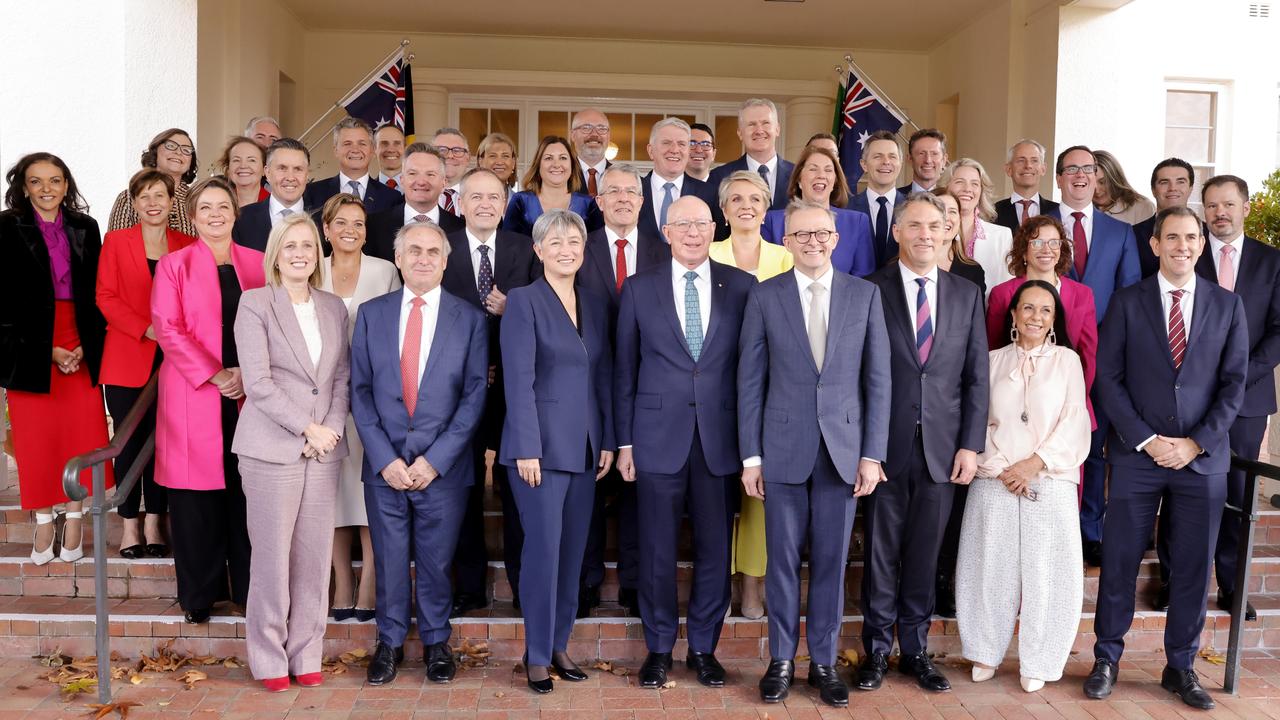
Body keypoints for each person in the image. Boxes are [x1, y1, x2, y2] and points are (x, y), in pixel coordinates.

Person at [1085, 206, 1248, 711]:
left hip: (1201, 461)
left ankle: (1181, 666)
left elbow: (1233, 384)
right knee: (1119, 562)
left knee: (1195, 568)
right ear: (1154, 245)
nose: (1182, 246)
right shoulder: (1127, 302)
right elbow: (1107, 378)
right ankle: (1106, 658)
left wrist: (1196, 443)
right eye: (1171, 237)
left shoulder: (1227, 306)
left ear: (1201, 245)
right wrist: (1145, 439)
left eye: (1190, 238)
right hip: (1137, 459)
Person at [738, 199, 892, 708]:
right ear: (786, 241)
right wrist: (751, 457)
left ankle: (823, 662)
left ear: (835, 238)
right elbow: (750, 382)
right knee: (780, 562)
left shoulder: (864, 295)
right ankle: (781, 659)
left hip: (843, 453)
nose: (812, 242)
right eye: (801, 235)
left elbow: (878, 381)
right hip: (781, 450)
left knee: (830, 562)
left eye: (820, 234)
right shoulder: (765, 296)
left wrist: (872, 454)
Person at [615, 195, 754, 689]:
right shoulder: (638, 288)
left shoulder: (742, 286)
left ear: (713, 229)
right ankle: (657, 648)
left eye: (700, 223)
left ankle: (703, 647)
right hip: (655, 439)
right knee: (657, 547)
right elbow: (624, 370)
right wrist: (625, 443)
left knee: (716, 549)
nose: (692, 232)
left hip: (720, 439)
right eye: (682, 224)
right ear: (666, 231)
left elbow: (751, 372)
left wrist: (752, 447)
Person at [349, 220, 488, 686]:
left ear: (446, 261)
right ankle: (388, 643)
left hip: (441, 469)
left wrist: (436, 459)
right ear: (400, 259)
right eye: (415, 251)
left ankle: (435, 641)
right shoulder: (372, 314)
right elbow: (360, 392)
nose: (424, 258)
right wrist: (385, 458)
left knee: (435, 559)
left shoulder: (468, 318)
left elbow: (473, 396)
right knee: (389, 557)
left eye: (433, 251)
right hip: (384, 465)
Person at [860, 194, 989, 694]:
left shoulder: (965, 294)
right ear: (897, 233)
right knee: (879, 552)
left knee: (925, 555)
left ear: (948, 233)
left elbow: (976, 378)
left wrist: (970, 445)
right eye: (914, 226)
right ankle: (874, 651)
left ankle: (913, 650)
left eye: (935, 226)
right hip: (884, 448)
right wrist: (863, 448)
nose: (925, 235)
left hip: (943, 448)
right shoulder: (871, 289)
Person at [232, 213, 350, 692]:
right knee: (272, 559)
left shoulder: (334, 307)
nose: (300, 253)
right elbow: (257, 382)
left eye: (307, 245)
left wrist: (331, 431)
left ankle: (307, 652)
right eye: (290, 246)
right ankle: (268, 657)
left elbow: (341, 378)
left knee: (313, 558)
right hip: (271, 449)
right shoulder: (256, 303)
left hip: (323, 452)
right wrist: (307, 428)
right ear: (276, 254)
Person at [1153, 176, 1280, 620]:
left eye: (1228, 204)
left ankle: (1231, 584)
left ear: (1246, 207)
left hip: (1246, 401)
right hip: (1186, 399)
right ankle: (1171, 580)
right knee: (1179, 487)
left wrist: (1238, 377)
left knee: (1237, 494)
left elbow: (1278, 331)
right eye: (1211, 206)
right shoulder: (1188, 257)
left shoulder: (1272, 262)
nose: (1219, 213)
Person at [500, 209, 615, 694]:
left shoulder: (594, 301)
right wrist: (527, 446)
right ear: (539, 249)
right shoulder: (524, 302)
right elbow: (518, 379)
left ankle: (560, 643)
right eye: (557, 241)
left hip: (586, 449)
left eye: (575, 241)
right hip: (539, 453)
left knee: (573, 555)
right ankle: (537, 653)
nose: (567, 249)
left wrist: (607, 438)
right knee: (543, 554)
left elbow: (602, 376)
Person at [958, 280, 1091, 693]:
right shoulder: (991, 359)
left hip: (1048, 478)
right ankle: (984, 648)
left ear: (1055, 320)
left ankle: (1041, 657)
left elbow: (1074, 418)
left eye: (1045, 311)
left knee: (1048, 570)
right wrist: (1001, 468)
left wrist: (1034, 464)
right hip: (994, 476)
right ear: (1013, 314)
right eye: (1028, 308)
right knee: (987, 564)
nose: (1036, 317)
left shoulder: (1068, 360)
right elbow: (975, 417)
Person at [151, 176, 266, 624]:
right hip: (194, 393)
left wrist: (246, 374)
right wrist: (216, 374)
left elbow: (275, 324)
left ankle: (249, 590)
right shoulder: (174, 265)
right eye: (206, 208)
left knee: (247, 493)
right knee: (195, 501)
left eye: (223, 206)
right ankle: (199, 596)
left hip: (250, 394)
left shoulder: (258, 263)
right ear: (193, 216)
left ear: (235, 213)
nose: (216, 215)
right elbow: (168, 328)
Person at [0, 152, 112, 565]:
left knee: (83, 433)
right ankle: (45, 517)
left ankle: (76, 515)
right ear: (23, 186)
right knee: (36, 438)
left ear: (67, 185)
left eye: (55, 180)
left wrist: (85, 343)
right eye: (36, 181)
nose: (47, 189)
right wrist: (47, 351)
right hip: (29, 347)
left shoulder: (86, 226)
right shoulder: (6, 226)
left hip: (80, 339)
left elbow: (98, 292)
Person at [443, 168, 541, 617]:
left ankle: (524, 586)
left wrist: (514, 305)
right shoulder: (440, 246)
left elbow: (546, 307)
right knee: (461, 488)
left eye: (493, 197)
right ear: (460, 202)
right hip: (455, 389)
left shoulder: (524, 248)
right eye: (475, 197)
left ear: (505, 204)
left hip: (513, 390)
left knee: (516, 488)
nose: (485, 204)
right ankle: (468, 586)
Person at [709, 171, 794, 620]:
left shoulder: (785, 256)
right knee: (721, 491)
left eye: (755, 199)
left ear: (767, 208)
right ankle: (717, 578)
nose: (746, 205)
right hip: (716, 386)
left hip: (771, 385)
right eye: (736, 199)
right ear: (723, 210)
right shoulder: (706, 252)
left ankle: (753, 584)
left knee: (760, 494)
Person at [97, 169, 195, 559]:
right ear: (133, 204)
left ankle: (155, 519)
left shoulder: (187, 244)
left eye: (160, 195)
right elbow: (105, 296)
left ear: (172, 203)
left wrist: (171, 334)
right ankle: (129, 524)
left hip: (176, 360)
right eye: (144, 196)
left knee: (165, 443)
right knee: (128, 441)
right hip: (127, 356)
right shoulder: (116, 242)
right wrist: (147, 329)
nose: (153, 202)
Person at [1053, 145, 1141, 568]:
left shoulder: (1119, 233)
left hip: (1101, 362)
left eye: (1088, 169)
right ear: (1059, 178)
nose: (1082, 176)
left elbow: (1129, 299)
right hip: (1048, 357)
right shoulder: (1040, 226)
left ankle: (1089, 532)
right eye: (1072, 169)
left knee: (1093, 448)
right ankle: (1052, 528)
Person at [318, 193, 400, 622]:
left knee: (369, 492)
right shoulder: (313, 269)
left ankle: (369, 579)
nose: (350, 230)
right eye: (341, 222)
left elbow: (396, 333)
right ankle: (341, 581)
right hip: (322, 397)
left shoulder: (385, 271)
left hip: (371, 397)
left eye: (359, 223)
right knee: (332, 493)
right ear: (326, 229)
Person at [761, 145, 875, 277]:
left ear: (835, 182)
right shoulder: (772, 221)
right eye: (813, 169)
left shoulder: (857, 222)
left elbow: (863, 281)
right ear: (799, 179)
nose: (821, 175)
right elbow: (767, 275)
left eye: (828, 170)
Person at [366, 144, 465, 262]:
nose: (421, 182)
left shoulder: (462, 229)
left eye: (430, 174)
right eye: (413, 173)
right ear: (402, 180)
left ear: (443, 183)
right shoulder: (373, 226)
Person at [638, 118, 720, 241]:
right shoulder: (633, 191)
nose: (675, 150)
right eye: (666, 142)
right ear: (650, 150)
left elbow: (717, 243)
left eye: (682, 144)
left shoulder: (710, 194)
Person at [504, 135, 603, 237]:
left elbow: (597, 247)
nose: (556, 164)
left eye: (563, 158)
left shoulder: (588, 204)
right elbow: (508, 244)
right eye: (548, 158)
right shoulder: (521, 201)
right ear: (538, 165)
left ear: (572, 165)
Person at [939, 158, 1013, 293]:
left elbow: (1007, 291)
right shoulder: (933, 233)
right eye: (959, 182)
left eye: (975, 184)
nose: (967, 189)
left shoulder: (1002, 235)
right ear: (946, 187)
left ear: (981, 191)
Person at [108, 128, 198, 236]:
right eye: (170, 146)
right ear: (155, 153)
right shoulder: (128, 197)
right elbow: (117, 246)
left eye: (186, 150)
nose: (178, 152)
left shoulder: (198, 200)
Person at [708, 98, 795, 210]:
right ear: (740, 133)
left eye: (765, 123)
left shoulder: (799, 175)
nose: (759, 130)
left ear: (777, 129)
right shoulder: (719, 177)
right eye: (751, 124)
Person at [233, 138, 315, 253]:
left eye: (298, 169)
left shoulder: (323, 220)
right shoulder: (241, 219)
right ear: (267, 172)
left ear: (307, 175)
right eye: (282, 168)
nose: (290, 177)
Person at [302, 117, 399, 214]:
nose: (355, 150)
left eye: (362, 143)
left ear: (372, 150)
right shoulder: (313, 192)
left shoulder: (391, 197)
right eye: (347, 143)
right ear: (336, 150)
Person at [1133, 158, 1199, 278]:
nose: (1172, 188)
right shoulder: (1132, 235)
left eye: (1180, 181)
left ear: (1191, 189)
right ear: (1153, 190)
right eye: (1164, 182)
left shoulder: (1207, 234)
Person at [850, 130, 908, 268]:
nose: (886, 162)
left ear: (900, 163)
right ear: (864, 164)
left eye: (892, 157)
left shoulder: (913, 208)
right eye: (878, 156)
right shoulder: (847, 208)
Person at [930, 190, 987, 297]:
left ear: (959, 220)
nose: (946, 217)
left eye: (952, 211)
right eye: (939, 210)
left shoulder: (974, 271)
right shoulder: (905, 266)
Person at [994, 139, 1059, 231]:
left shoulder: (1058, 211)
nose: (1028, 165)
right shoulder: (993, 213)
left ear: (1043, 169)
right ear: (1009, 169)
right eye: (1021, 160)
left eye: (1034, 161)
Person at [1092, 150, 1156, 225]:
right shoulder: (1079, 210)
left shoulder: (1142, 207)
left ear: (1115, 178)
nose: (1097, 190)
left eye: (1103, 182)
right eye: (1091, 183)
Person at [217, 136, 268, 209]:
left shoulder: (275, 205)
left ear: (264, 170)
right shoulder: (219, 204)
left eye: (252, 160)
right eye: (236, 160)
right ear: (228, 169)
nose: (243, 166)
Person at [431, 127, 472, 215]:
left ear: (468, 158)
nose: (450, 156)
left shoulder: (481, 195)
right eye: (442, 150)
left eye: (457, 151)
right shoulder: (415, 195)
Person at [570, 108, 611, 195]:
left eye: (601, 128)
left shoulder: (623, 177)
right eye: (586, 128)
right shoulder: (560, 175)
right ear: (573, 135)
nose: (594, 134)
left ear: (609, 136)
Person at [898, 128, 949, 195]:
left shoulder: (952, 199)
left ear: (944, 160)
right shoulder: (895, 200)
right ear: (910, 159)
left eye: (934, 153)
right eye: (921, 153)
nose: (928, 160)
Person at [375, 123, 406, 191]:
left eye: (397, 144)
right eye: (384, 144)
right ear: (374, 149)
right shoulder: (364, 191)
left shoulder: (418, 188)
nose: (391, 150)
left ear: (405, 149)